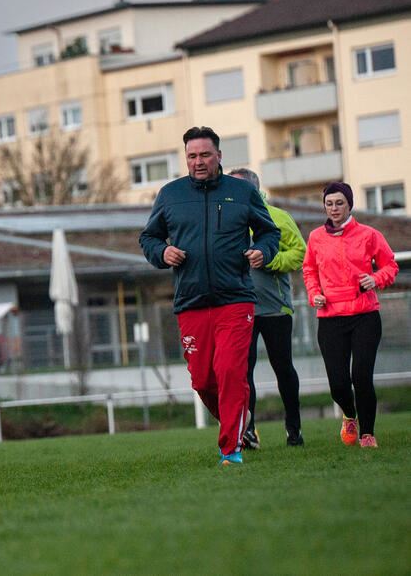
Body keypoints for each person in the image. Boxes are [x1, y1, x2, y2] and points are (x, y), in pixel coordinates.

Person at [139, 127, 279, 466]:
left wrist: (262, 250)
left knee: (231, 372)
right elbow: (149, 238)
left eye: (204, 155)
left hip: (235, 299)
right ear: (185, 158)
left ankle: (230, 449)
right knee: (203, 380)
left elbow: (268, 231)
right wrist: (163, 252)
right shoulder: (170, 195)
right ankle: (239, 421)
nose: (198, 162)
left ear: (218, 156)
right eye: (192, 156)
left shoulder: (242, 192)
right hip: (191, 302)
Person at [302, 182, 398, 448]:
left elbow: (390, 265)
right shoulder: (316, 238)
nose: (334, 208)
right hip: (330, 317)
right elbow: (309, 270)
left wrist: (375, 278)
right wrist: (314, 294)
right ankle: (349, 415)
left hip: (364, 315)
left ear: (349, 205)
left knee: (362, 377)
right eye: (329, 203)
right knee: (338, 384)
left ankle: (368, 434)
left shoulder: (369, 235)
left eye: (339, 203)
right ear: (324, 206)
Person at [229, 168, 306, 448]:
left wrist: (269, 259)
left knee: (283, 368)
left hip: (274, 308)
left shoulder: (278, 217)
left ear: (252, 189)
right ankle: (249, 431)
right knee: (243, 373)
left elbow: (299, 253)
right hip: (238, 308)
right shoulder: (226, 218)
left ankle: (294, 428)